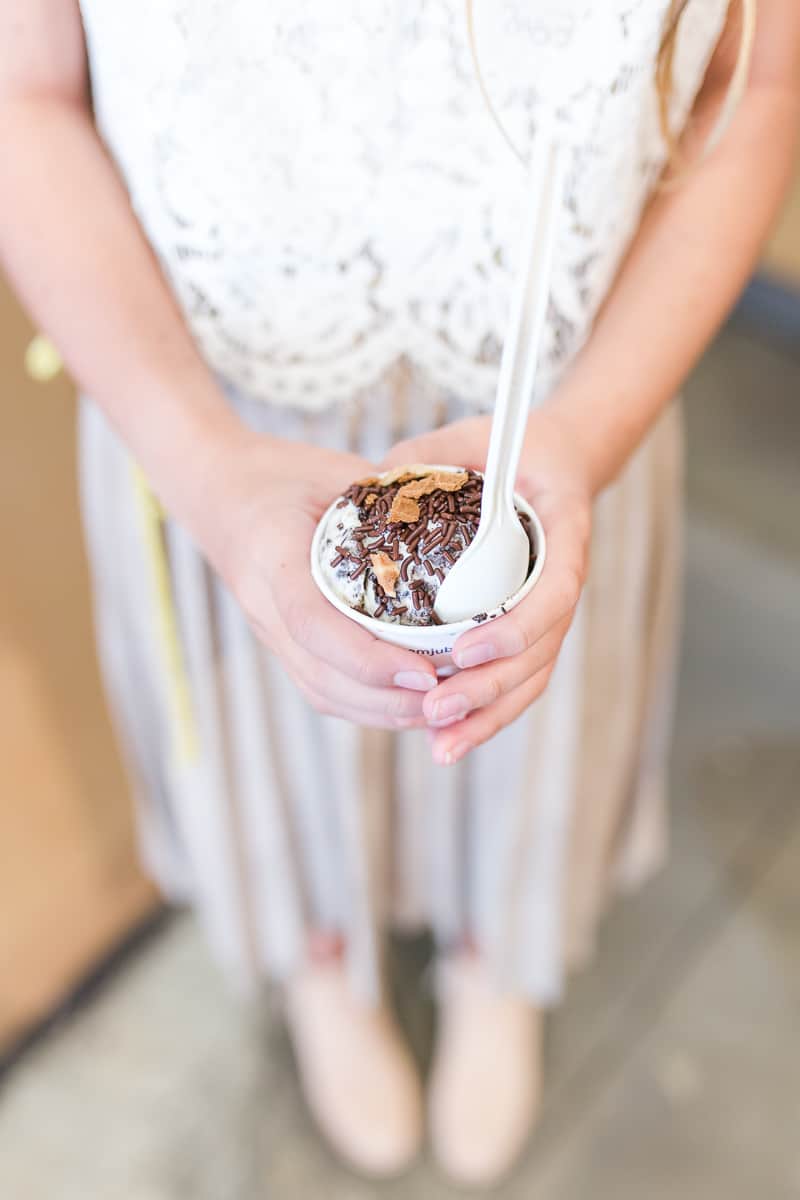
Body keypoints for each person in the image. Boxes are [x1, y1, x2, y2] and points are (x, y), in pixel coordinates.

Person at [1, 0, 798, 1186]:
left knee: (508, 726)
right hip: (216, 413)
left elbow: (754, 86)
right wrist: (208, 471)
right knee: (279, 748)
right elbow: (24, 95)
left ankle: (493, 952)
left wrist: (582, 440)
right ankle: (322, 955)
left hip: (565, 406)